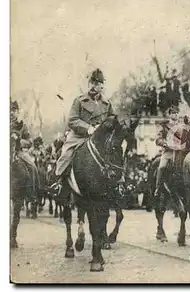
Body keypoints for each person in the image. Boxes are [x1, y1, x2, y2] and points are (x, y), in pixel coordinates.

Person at [50, 68, 114, 198]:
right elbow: (72, 120)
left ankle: (119, 184)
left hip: (99, 138)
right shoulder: (79, 100)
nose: (94, 86)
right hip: (79, 136)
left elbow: (112, 120)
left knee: (115, 153)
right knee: (66, 154)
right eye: (92, 82)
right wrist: (88, 128)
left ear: (102, 85)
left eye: (97, 83)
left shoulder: (107, 104)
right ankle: (58, 183)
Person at [10, 100, 39, 202]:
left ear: (17, 112)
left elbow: (30, 141)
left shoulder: (22, 126)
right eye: (9, 110)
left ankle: (32, 193)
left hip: (19, 152)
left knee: (33, 167)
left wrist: (19, 140)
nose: (11, 112)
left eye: (14, 110)